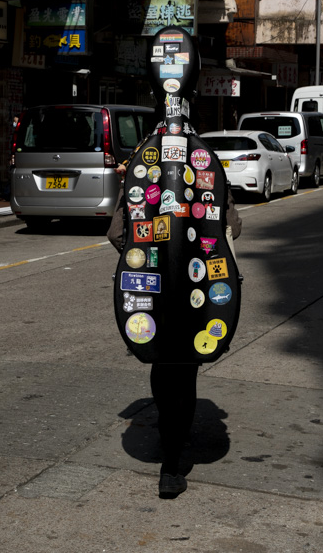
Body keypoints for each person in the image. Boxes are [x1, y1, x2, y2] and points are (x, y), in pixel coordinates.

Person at [109, 172, 242, 498]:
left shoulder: (141, 174)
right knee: (187, 368)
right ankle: (172, 459)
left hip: (150, 288)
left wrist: (143, 257)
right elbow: (233, 228)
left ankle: (169, 445)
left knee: (161, 363)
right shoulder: (207, 172)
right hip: (198, 288)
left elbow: (115, 233)